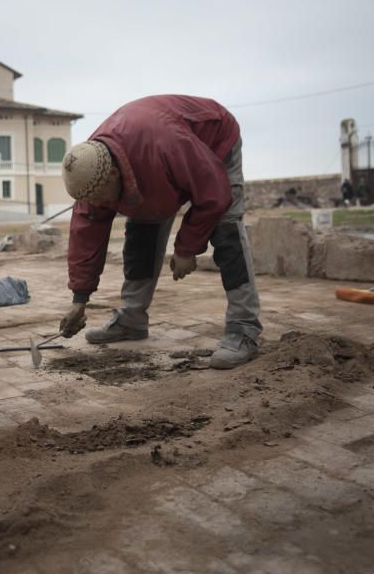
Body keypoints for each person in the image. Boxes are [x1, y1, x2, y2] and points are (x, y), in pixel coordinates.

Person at [57, 95, 262, 369]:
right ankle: (131, 320)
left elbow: (214, 194)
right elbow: (86, 234)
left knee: (226, 230)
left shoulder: (166, 144)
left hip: (214, 144)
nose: (97, 206)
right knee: (141, 232)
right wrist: (79, 299)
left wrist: (187, 248)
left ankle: (244, 328)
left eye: (99, 198)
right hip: (154, 167)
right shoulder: (89, 171)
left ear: (113, 176)